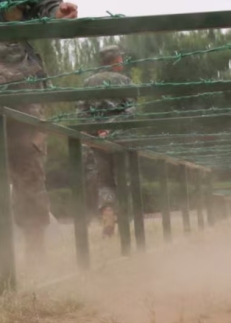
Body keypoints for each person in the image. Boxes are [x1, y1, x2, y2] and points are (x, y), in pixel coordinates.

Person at [0, 1, 78, 263]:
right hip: (21, 84)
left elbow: (46, 6)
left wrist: (58, 12)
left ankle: (35, 251)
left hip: (22, 88)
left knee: (29, 172)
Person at [76, 45, 135, 237]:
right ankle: (123, 219)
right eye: (121, 59)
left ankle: (108, 211)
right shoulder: (124, 81)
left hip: (95, 142)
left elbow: (81, 113)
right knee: (123, 180)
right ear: (116, 60)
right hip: (120, 140)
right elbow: (131, 112)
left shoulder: (89, 82)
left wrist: (98, 131)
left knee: (103, 181)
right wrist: (112, 129)